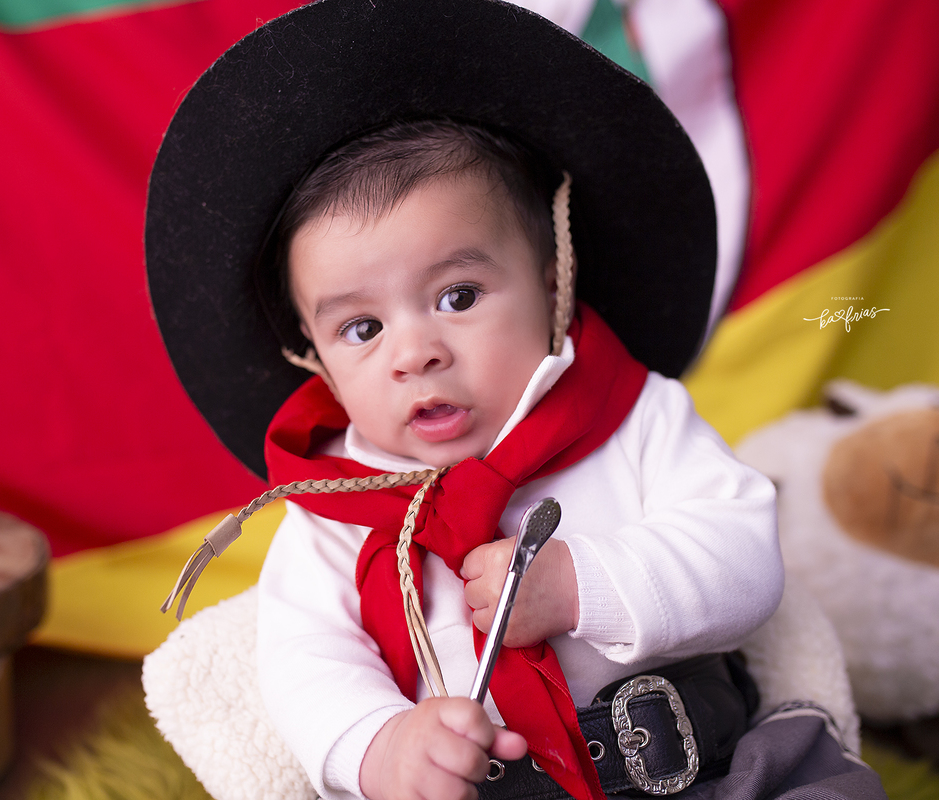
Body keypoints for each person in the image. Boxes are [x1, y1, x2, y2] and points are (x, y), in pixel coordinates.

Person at [148, 2, 886, 800]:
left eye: (459, 295)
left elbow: (743, 561)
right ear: (311, 353)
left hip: (700, 763)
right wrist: (382, 745)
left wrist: (580, 585)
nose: (415, 351)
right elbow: (306, 664)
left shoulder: (634, 417)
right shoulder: (332, 513)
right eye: (361, 327)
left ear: (552, 280)